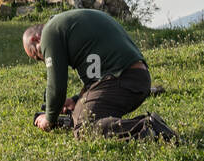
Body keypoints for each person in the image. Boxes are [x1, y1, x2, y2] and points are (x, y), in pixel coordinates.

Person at [23, 8, 170, 140]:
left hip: (122, 79)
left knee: (84, 129)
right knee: (81, 114)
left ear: (35, 39)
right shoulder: (67, 23)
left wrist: (49, 118)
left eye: (37, 55)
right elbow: (96, 79)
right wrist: (76, 100)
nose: (41, 59)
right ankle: (74, 120)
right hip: (136, 79)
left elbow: (56, 87)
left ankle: (149, 128)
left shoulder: (50, 32)